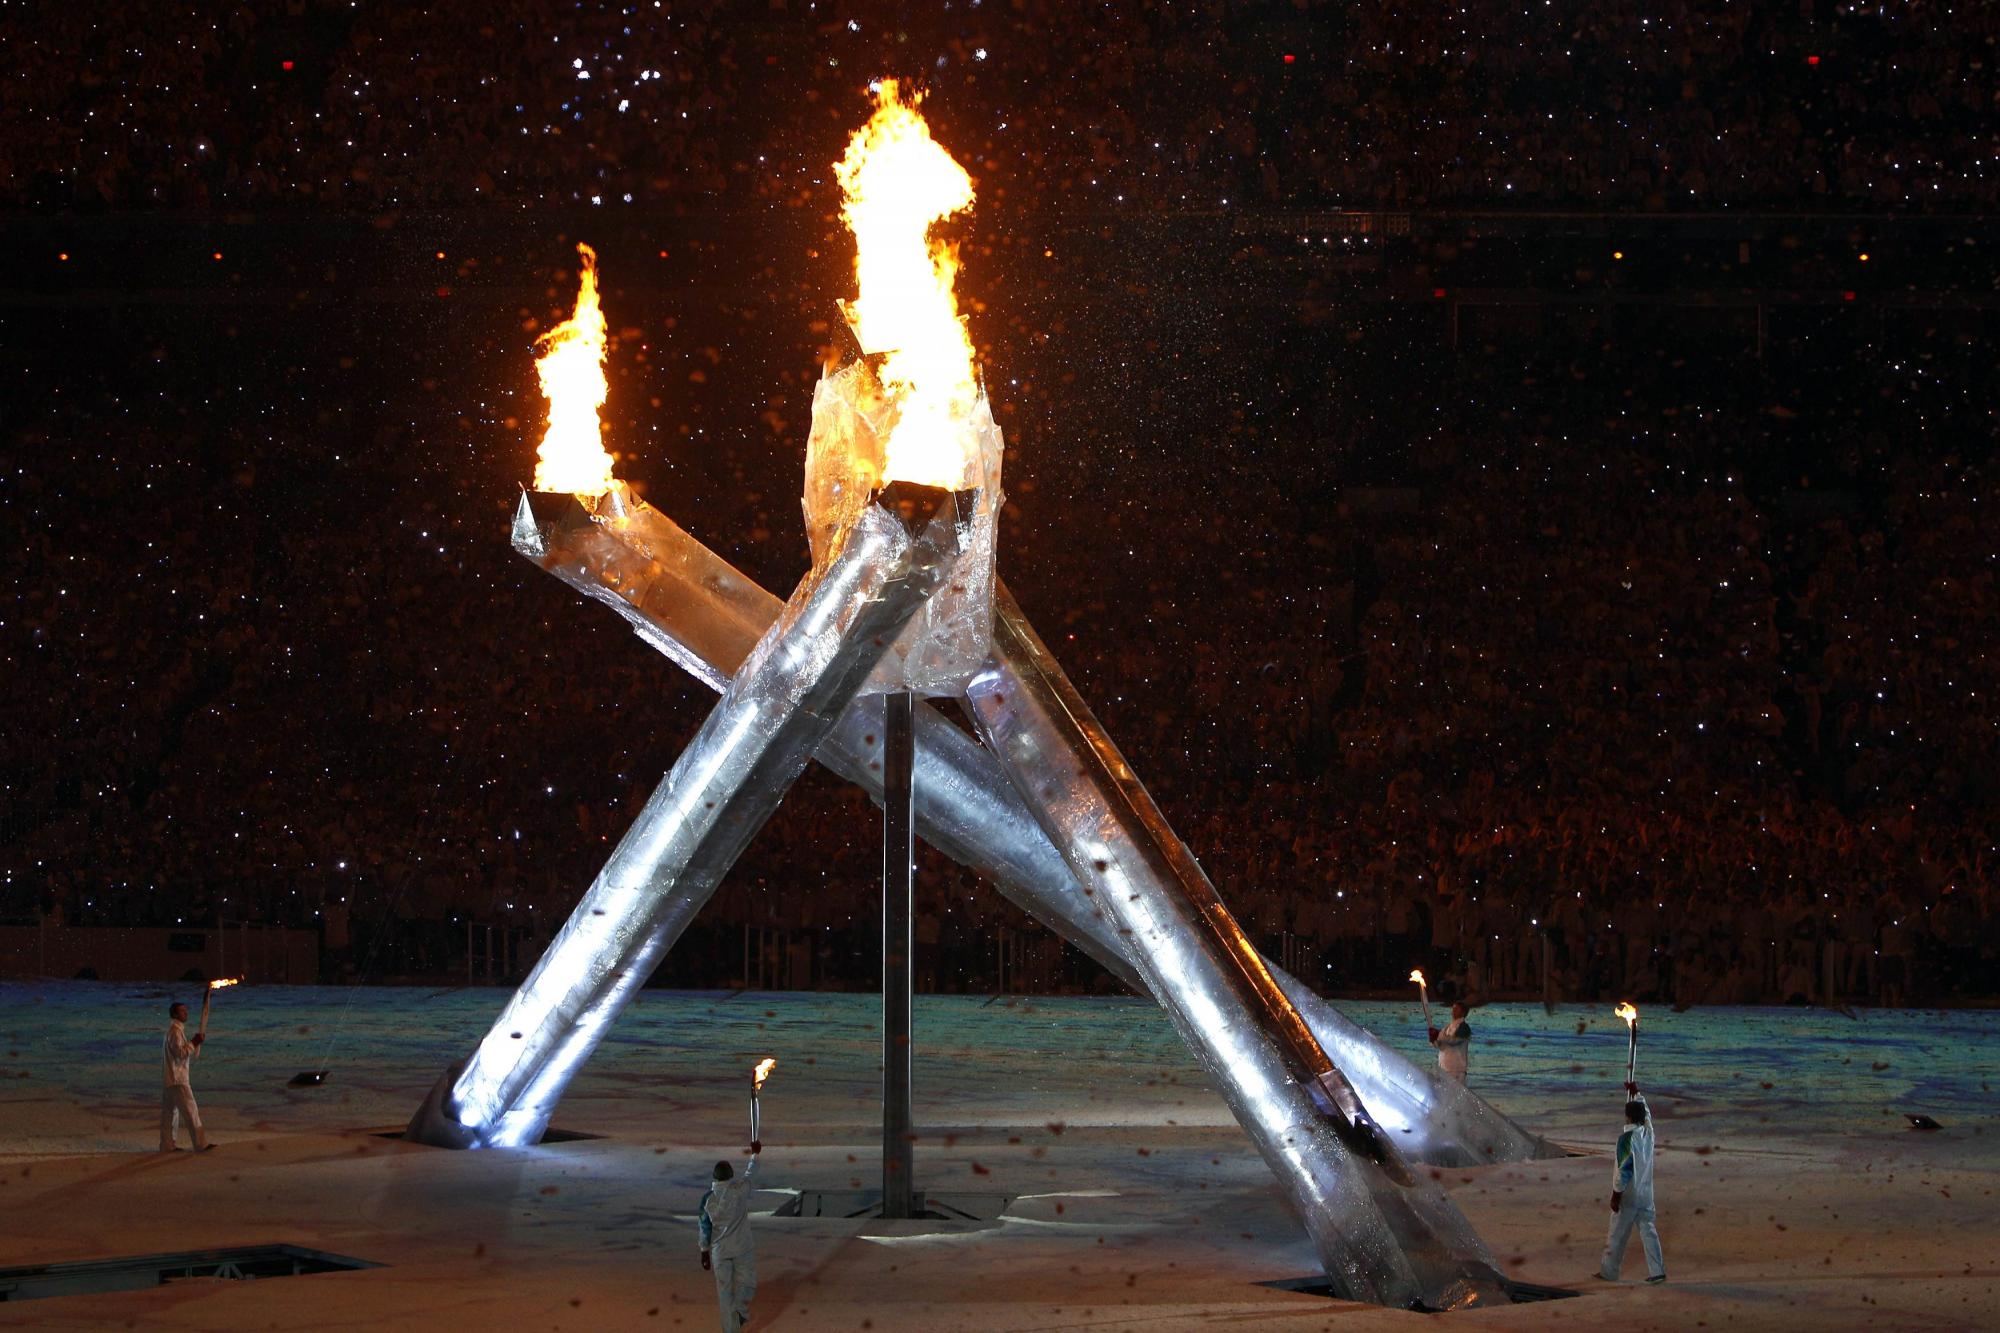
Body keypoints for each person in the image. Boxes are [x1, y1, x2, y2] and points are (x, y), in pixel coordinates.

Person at [1598, 1083, 1665, 1283]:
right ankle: (1657, 1271)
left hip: (1629, 1195)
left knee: (1616, 1235)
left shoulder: (1627, 1139)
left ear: (1628, 1117)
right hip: (1646, 1194)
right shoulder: (1649, 1134)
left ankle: (1609, 1272)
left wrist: (1615, 1195)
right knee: (1649, 1232)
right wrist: (1638, 1094)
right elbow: (1648, 1116)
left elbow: (1623, 1171)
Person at [698, 1139, 761, 1331]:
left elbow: (704, 1226)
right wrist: (755, 1154)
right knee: (747, 1284)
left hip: (719, 1251)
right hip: (742, 1247)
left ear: (714, 1178)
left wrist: (704, 1251)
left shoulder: (708, 1200)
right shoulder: (739, 1191)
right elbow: (751, 1175)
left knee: (724, 1293)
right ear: (731, 1176)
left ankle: (731, 1328)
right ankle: (739, 1312)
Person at [159, 1000, 211, 1152]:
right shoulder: (174, 1031)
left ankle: (167, 1145)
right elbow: (180, 1053)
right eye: (182, 1011)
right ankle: (200, 1144)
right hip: (177, 1079)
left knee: (170, 1113)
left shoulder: (173, 1030)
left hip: (170, 1079)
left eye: (185, 1010)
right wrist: (194, 1042)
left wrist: (194, 1043)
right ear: (175, 1014)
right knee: (191, 1110)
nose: (186, 1013)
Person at [1429, 1000, 1472, 1081]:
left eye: (1456, 1009)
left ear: (1463, 1013)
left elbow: (1454, 1041)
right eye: (1453, 1009)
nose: (1453, 1011)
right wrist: (1433, 1039)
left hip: (1456, 1070)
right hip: (1444, 1068)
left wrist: (1438, 1035)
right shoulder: (1447, 1027)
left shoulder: (1464, 1028)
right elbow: (1440, 1045)